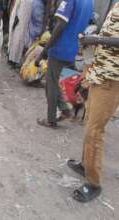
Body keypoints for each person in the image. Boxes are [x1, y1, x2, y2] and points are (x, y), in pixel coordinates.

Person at [67, 3, 119, 203]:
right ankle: (85, 165)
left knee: (95, 130)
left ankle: (93, 183)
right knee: (89, 122)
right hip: (100, 73)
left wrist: (96, 39)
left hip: (112, 78)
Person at [35, 0, 93, 128]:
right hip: (72, 48)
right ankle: (65, 110)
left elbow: (60, 26)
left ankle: (51, 119)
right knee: (53, 82)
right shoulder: (90, 2)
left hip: (60, 47)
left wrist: (44, 51)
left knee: (51, 83)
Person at [8, 0, 33, 68]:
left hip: (23, 22)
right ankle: (11, 58)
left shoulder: (30, 1)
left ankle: (15, 60)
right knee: (15, 39)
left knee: (19, 40)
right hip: (18, 20)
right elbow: (15, 7)